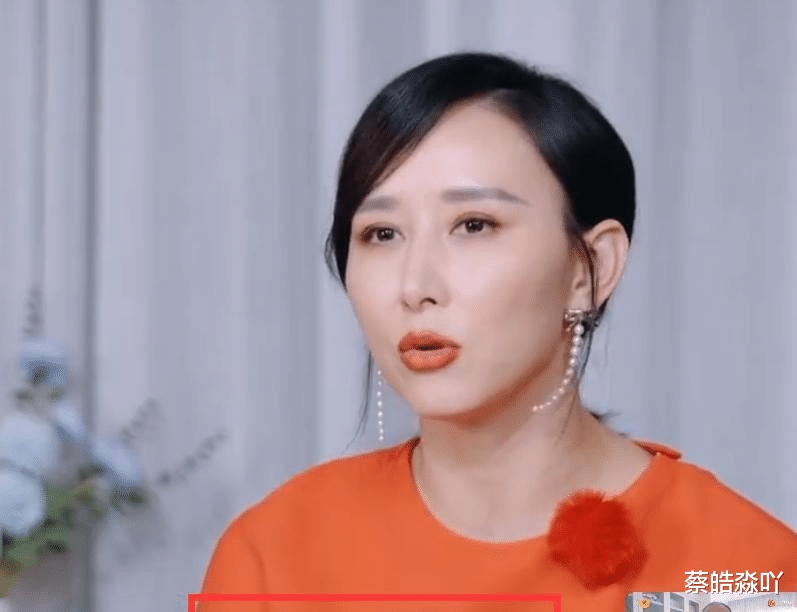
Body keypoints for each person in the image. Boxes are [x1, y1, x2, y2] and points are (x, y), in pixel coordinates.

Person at [199, 52, 797, 611]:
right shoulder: (274, 554)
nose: (415, 286)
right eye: (382, 233)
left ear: (589, 269)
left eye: (474, 225)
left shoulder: (743, 571)